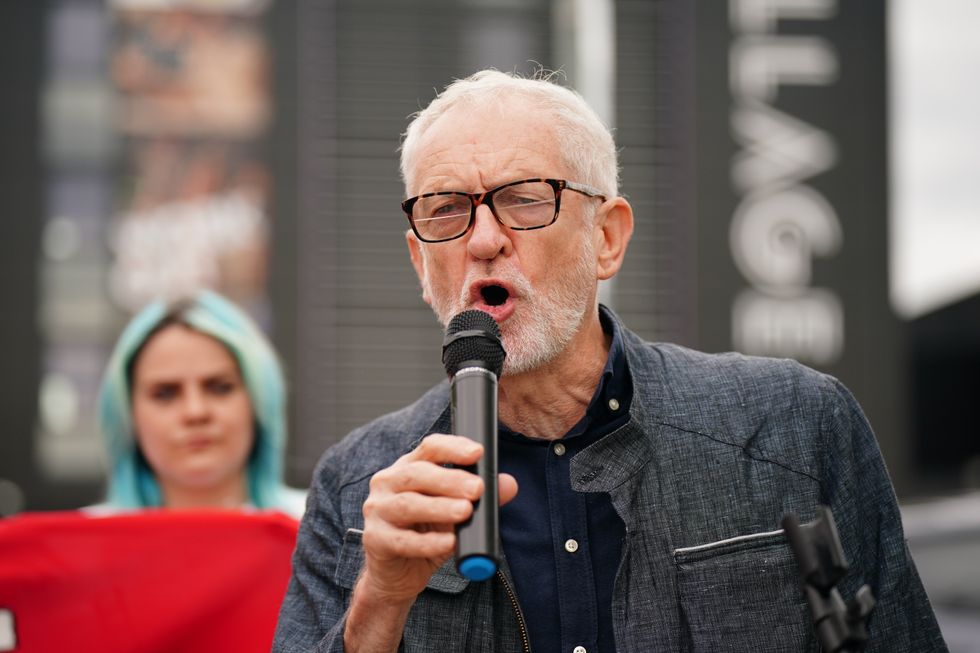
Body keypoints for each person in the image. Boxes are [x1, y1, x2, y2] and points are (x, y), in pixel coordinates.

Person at [273, 70, 946, 652]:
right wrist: (381, 599)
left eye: (525, 198)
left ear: (608, 237)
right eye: (446, 210)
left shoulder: (794, 426)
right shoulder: (357, 488)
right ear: (422, 263)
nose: (481, 239)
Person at [94, 289, 305, 517]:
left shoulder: (327, 533)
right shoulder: (75, 545)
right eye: (165, 393)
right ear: (126, 412)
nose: (195, 411)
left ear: (260, 401)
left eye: (220, 387)